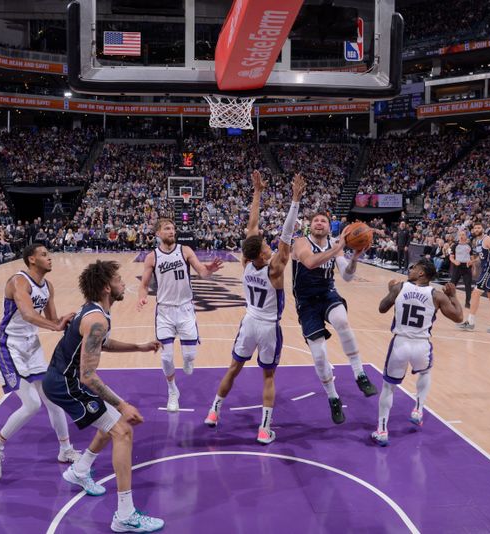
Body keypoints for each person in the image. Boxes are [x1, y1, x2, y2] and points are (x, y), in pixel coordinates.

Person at [43, 260, 165, 532]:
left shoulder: (95, 313)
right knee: (122, 431)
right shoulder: (96, 319)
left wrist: (139, 347)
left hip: (63, 378)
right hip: (66, 383)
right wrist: (123, 404)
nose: (124, 283)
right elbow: (87, 375)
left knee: (107, 423)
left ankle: (80, 470)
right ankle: (125, 516)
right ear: (108, 287)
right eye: (120, 279)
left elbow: (101, 343)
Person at [205, 170, 305, 444]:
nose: (268, 243)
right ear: (263, 253)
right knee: (268, 377)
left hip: (248, 323)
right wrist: (295, 200)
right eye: (265, 244)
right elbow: (286, 234)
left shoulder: (246, 263)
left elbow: (251, 227)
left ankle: (213, 412)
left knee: (233, 368)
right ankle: (264, 429)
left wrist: (258, 192)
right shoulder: (274, 268)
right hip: (268, 327)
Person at [0, 244, 79, 480]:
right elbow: (26, 314)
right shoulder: (19, 281)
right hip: (9, 346)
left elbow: (52, 320)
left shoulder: (48, 287)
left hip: (31, 345)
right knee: (32, 404)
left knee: (53, 398)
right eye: (44, 255)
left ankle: (65, 450)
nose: (50, 258)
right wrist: (55, 325)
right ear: (31, 259)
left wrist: (64, 321)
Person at [291, 212, 378, 425]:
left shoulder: (333, 244)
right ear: (310, 226)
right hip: (306, 302)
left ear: (330, 228)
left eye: (324, 221)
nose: (320, 223)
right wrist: (338, 248)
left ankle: (360, 374)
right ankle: (333, 397)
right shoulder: (301, 242)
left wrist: (354, 258)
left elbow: (347, 276)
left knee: (342, 321)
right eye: (316, 221)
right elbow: (310, 263)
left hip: (328, 293)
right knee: (319, 355)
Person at [371, 259, 463, 446]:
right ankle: (418, 410)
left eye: (414, 267)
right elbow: (459, 317)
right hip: (421, 345)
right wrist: (453, 296)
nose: (410, 269)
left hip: (400, 344)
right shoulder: (437, 296)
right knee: (425, 372)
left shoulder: (399, 288)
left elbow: (381, 308)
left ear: (422, 273)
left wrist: (391, 291)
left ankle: (381, 430)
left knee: (388, 387)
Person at [137, 218, 223, 411]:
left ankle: (188, 358)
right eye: (167, 228)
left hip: (185, 309)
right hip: (165, 311)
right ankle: (172, 391)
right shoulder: (152, 257)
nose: (172, 231)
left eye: (173, 228)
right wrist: (141, 298)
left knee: (190, 356)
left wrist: (209, 270)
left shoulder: (185, 250)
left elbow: (202, 272)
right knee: (166, 358)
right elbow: (143, 285)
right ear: (158, 233)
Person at [459, 222, 490, 333]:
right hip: (486, 269)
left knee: (475, 293)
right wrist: (473, 261)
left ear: (483, 229)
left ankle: (470, 323)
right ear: (473, 230)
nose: (477, 229)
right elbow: (482, 257)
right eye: (475, 228)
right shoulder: (477, 241)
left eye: (479, 227)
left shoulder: (488, 239)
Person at [448, 230, 474, 308]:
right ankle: (450, 301)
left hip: (467, 267)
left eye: (463, 235)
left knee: (468, 285)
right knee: (452, 285)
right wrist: (455, 262)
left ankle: (467, 303)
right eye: (460, 235)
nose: (462, 236)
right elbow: (451, 257)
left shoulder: (469, 245)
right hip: (457, 266)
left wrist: (471, 263)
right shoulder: (455, 245)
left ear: (466, 236)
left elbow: (472, 257)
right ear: (458, 236)